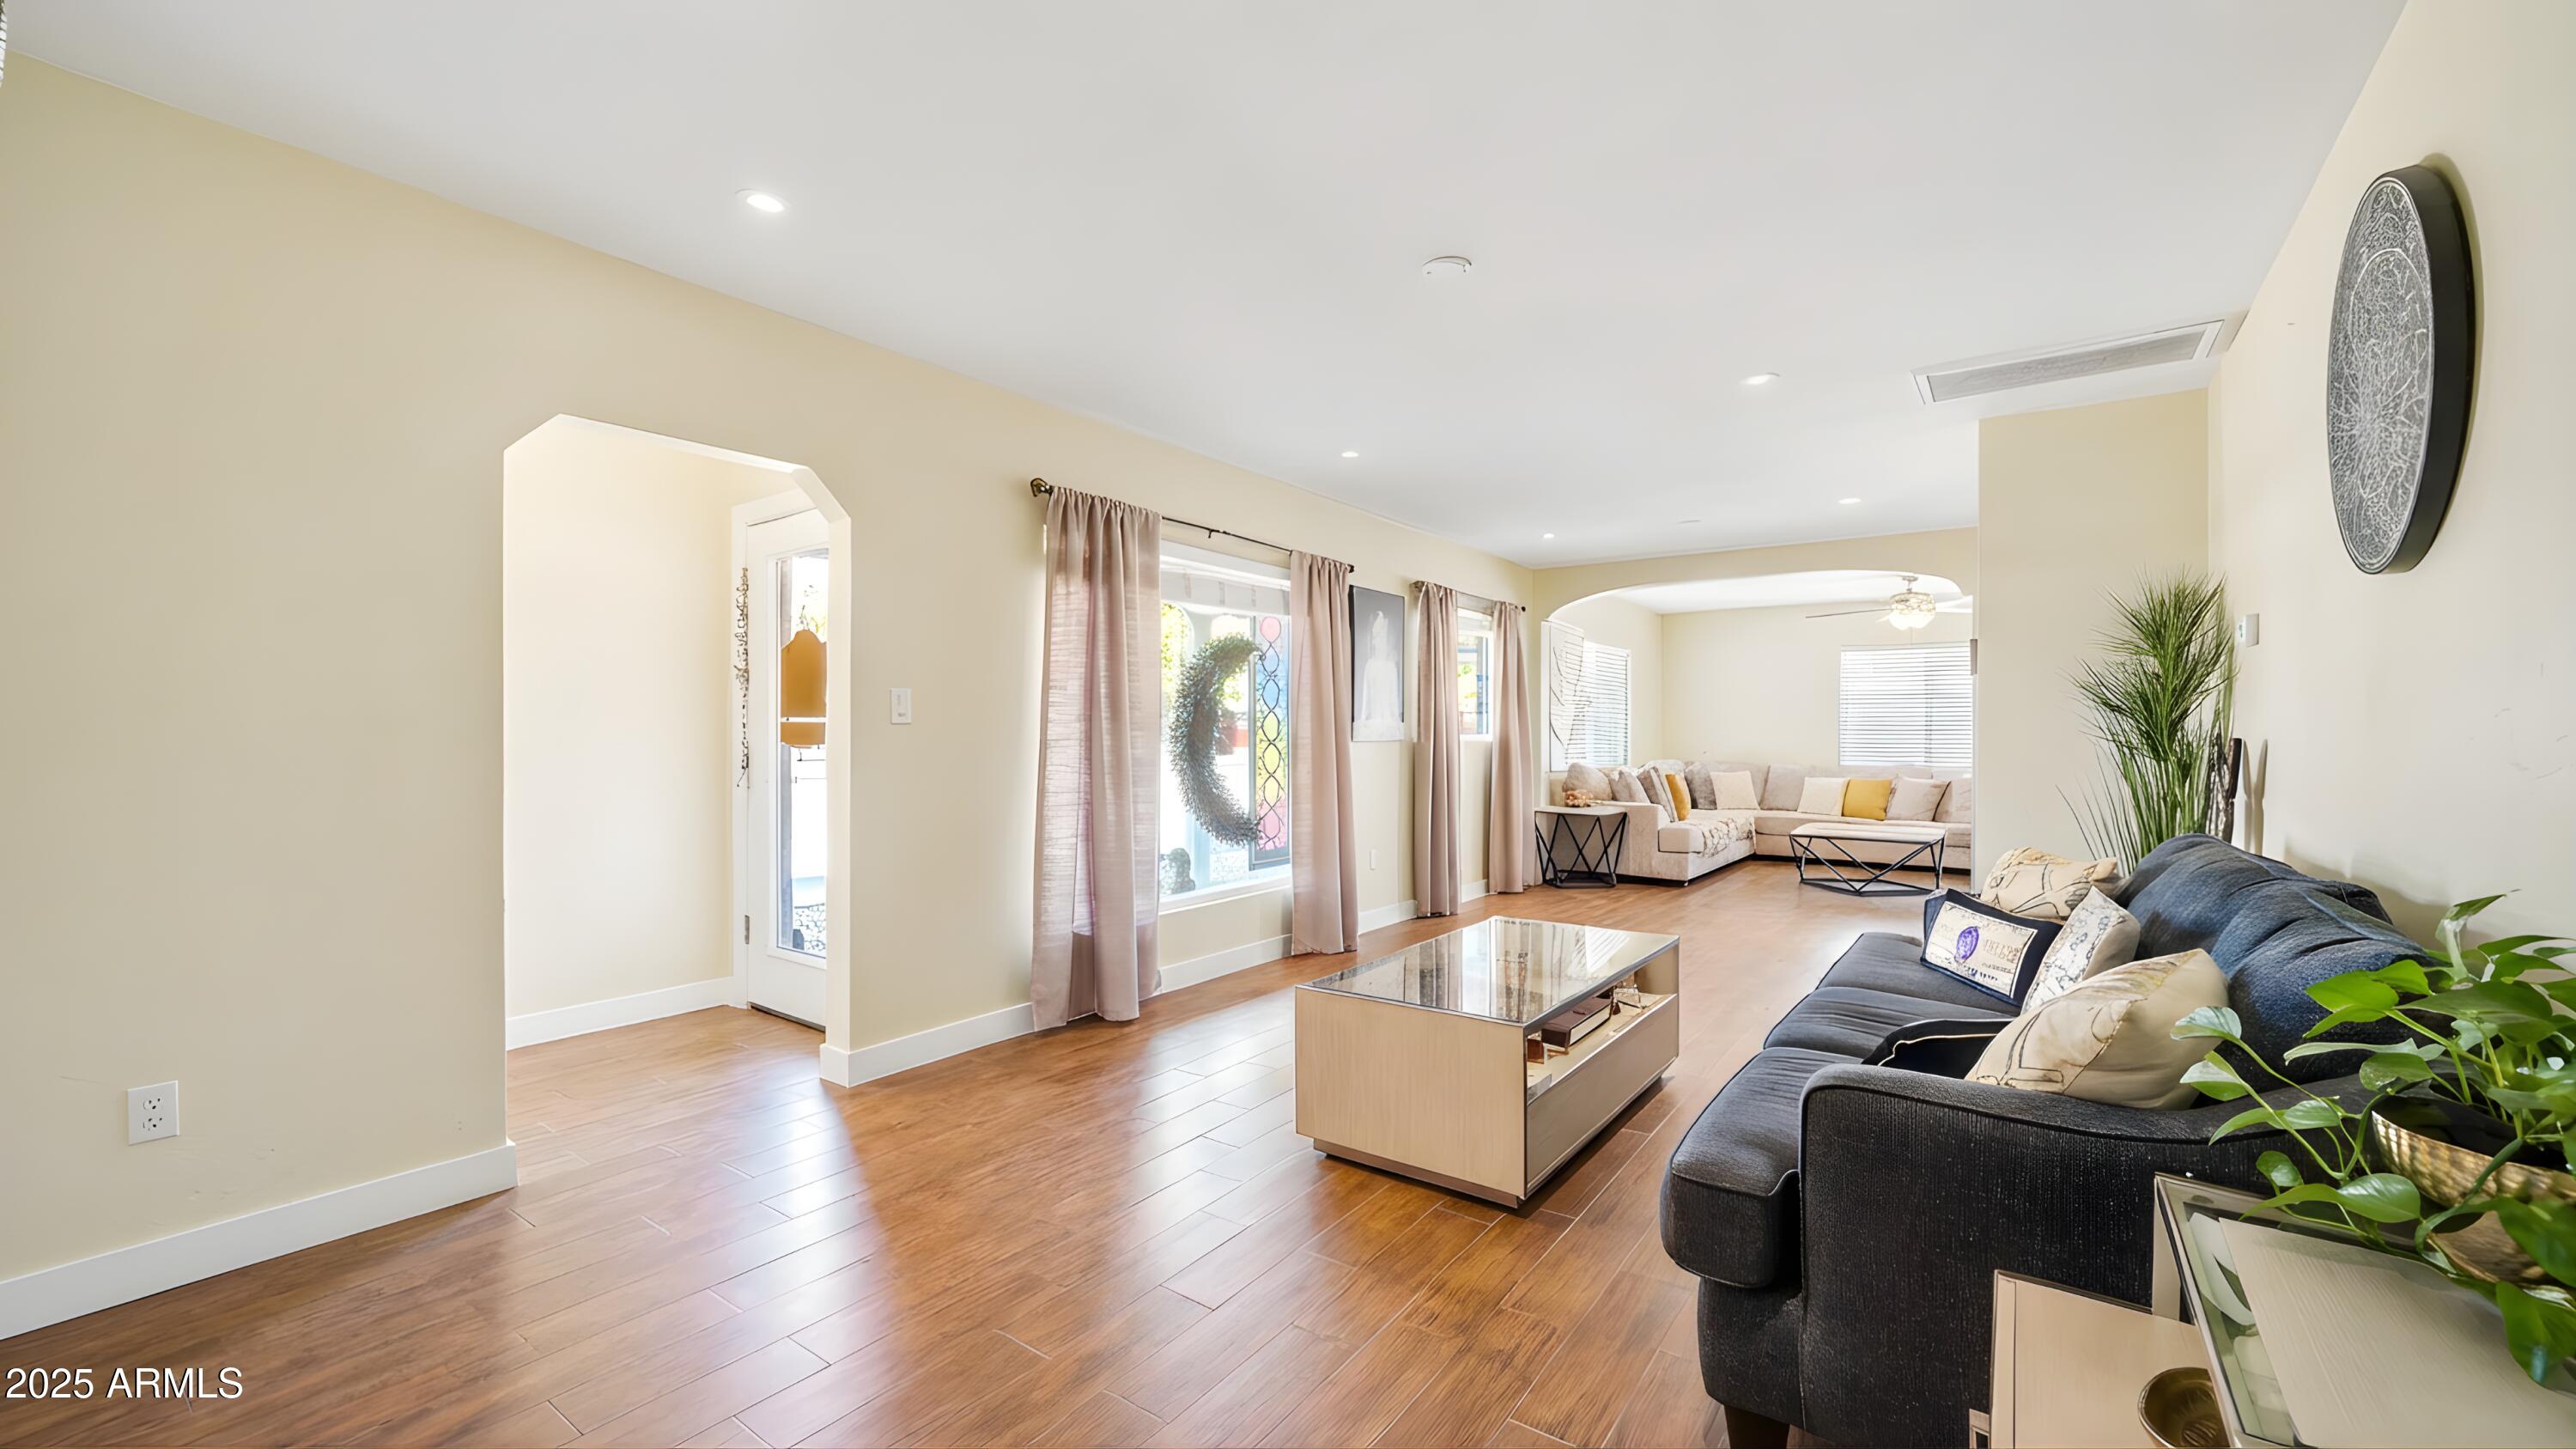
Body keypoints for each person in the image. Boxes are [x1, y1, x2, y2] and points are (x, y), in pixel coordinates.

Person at [1356, 604, 1401, 735]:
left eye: (1382, 637)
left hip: (1387, 720)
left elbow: (1393, 699)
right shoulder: (1371, 665)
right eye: (1377, 638)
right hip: (1374, 719)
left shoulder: (1390, 667)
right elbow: (1367, 696)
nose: (1379, 641)